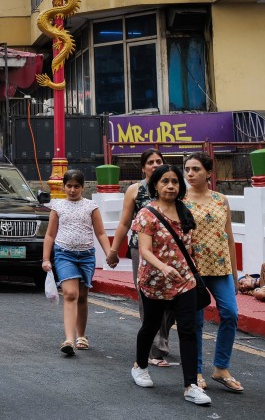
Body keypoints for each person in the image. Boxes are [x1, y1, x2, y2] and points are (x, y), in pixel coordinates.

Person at [129, 164, 211, 406]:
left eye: (175, 182)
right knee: (151, 325)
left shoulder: (184, 212)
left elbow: (190, 247)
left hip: (184, 281)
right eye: (165, 181)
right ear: (155, 185)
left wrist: (193, 274)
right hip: (155, 282)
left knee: (188, 329)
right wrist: (163, 267)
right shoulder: (147, 213)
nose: (171, 186)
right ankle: (140, 365)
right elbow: (144, 249)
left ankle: (191, 385)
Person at [108, 148, 175, 366]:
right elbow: (125, 222)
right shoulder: (136, 190)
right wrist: (113, 250)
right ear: (143, 167)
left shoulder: (172, 186)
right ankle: (155, 349)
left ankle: (161, 339)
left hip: (171, 250)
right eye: (150, 162)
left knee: (172, 298)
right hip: (141, 249)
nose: (155, 165)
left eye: (159, 161)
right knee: (147, 296)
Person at [182, 152, 243, 392]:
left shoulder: (221, 199)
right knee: (196, 321)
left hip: (221, 268)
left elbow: (229, 237)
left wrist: (235, 274)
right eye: (187, 169)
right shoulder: (180, 200)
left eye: (196, 169)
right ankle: (196, 370)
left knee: (230, 314)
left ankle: (221, 367)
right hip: (193, 270)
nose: (190, 174)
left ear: (209, 172)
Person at [42, 170, 118, 356]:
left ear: (83, 187)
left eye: (77, 186)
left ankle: (81, 335)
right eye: (69, 186)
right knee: (70, 294)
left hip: (86, 256)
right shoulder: (57, 206)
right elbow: (50, 234)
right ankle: (68, 339)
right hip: (64, 254)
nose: (73, 190)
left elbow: (101, 233)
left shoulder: (91, 206)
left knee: (82, 297)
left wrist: (109, 253)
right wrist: (45, 259)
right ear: (64, 187)